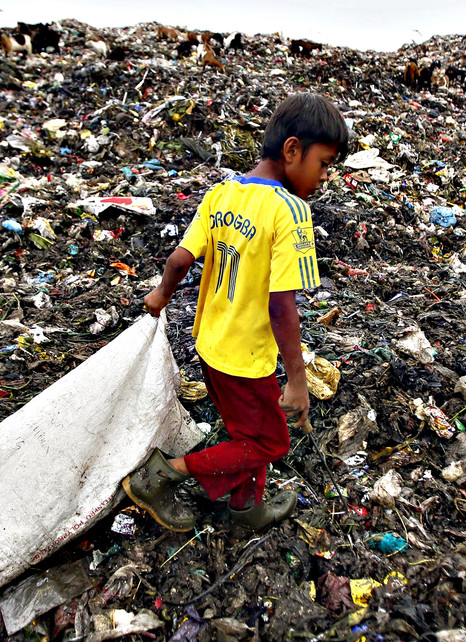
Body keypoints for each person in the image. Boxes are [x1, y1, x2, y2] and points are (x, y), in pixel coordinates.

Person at [122, 93, 349, 533]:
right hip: (246, 360)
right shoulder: (290, 211)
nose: (325, 177)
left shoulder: (222, 192)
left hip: (209, 344)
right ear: (292, 150)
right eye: (324, 163)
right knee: (270, 441)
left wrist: (159, 296)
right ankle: (165, 474)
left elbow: (178, 261)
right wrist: (298, 379)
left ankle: (247, 508)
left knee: (248, 434)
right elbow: (281, 304)